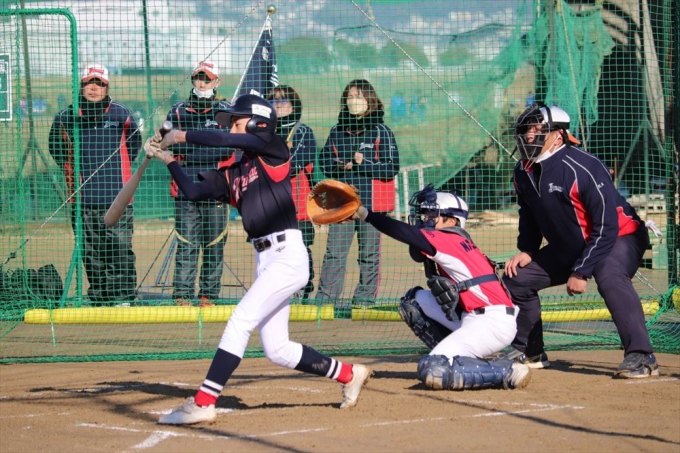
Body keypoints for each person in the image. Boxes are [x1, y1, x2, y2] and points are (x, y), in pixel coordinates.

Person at [144, 94, 372, 425]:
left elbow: (223, 140)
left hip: (287, 255)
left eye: (236, 122)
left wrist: (177, 136)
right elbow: (193, 192)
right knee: (277, 349)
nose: (231, 130)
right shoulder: (234, 172)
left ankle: (204, 402)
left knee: (240, 320)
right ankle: (349, 374)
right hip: (265, 259)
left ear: (257, 122)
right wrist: (167, 158)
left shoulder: (273, 147)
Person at [500, 103, 659, 379]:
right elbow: (529, 215)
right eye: (526, 129)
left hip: (620, 237)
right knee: (517, 278)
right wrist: (527, 250)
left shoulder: (583, 166)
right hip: (572, 246)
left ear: (558, 135)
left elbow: (607, 227)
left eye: (537, 129)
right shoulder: (522, 172)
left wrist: (581, 271)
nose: (529, 135)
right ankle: (530, 350)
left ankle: (642, 356)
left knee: (609, 273)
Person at [350, 183, 530, 390]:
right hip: (475, 317)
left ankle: (507, 370)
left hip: (492, 323)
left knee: (432, 370)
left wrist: (364, 214)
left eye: (431, 215)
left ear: (451, 221)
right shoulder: (455, 239)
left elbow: (402, 232)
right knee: (414, 301)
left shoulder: (448, 238)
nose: (424, 220)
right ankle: (457, 356)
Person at [48, 63, 141, 305]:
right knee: (92, 252)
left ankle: (122, 297)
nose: (94, 88)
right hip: (83, 199)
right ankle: (100, 298)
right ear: (81, 86)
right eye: (89, 83)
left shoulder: (121, 114)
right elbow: (57, 149)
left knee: (119, 248)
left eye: (99, 84)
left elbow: (134, 146)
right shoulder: (66, 116)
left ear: (106, 88)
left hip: (118, 198)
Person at [316, 79, 399, 306]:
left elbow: (392, 167)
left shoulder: (381, 131)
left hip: (371, 205)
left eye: (359, 97)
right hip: (342, 203)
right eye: (350, 97)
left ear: (370, 100)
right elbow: (325, 162)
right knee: (334, 253)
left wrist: (364, 164)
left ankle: (363, 300)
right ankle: (325, 301)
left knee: (369, 255)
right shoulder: (337, 130)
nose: (354, 101)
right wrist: (341, 166)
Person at [165, 60, 234, 307]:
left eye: (207, 79)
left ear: (217, 82)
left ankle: (208, 295)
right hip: (185, 186)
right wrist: (208, 144)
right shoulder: (177, 111)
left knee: (214, 244)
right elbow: (169, 144)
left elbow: (229, 147)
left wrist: (191, 145)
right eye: (198, 78)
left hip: (217, 187)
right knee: (186, 243)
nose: (202, 83)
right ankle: (182, 295)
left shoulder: (227, 111)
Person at [266, 85, 317, 300]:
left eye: (284, 100)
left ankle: (302, 287)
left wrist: (270, 165)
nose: (278, 104)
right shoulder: (264, 130)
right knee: (272, 247)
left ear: (293, 105)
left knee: (299, 246)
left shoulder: (302, 131)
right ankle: (275, 288)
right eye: (274, 100)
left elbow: (295, 163)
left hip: (297, 203)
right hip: (269, 201)